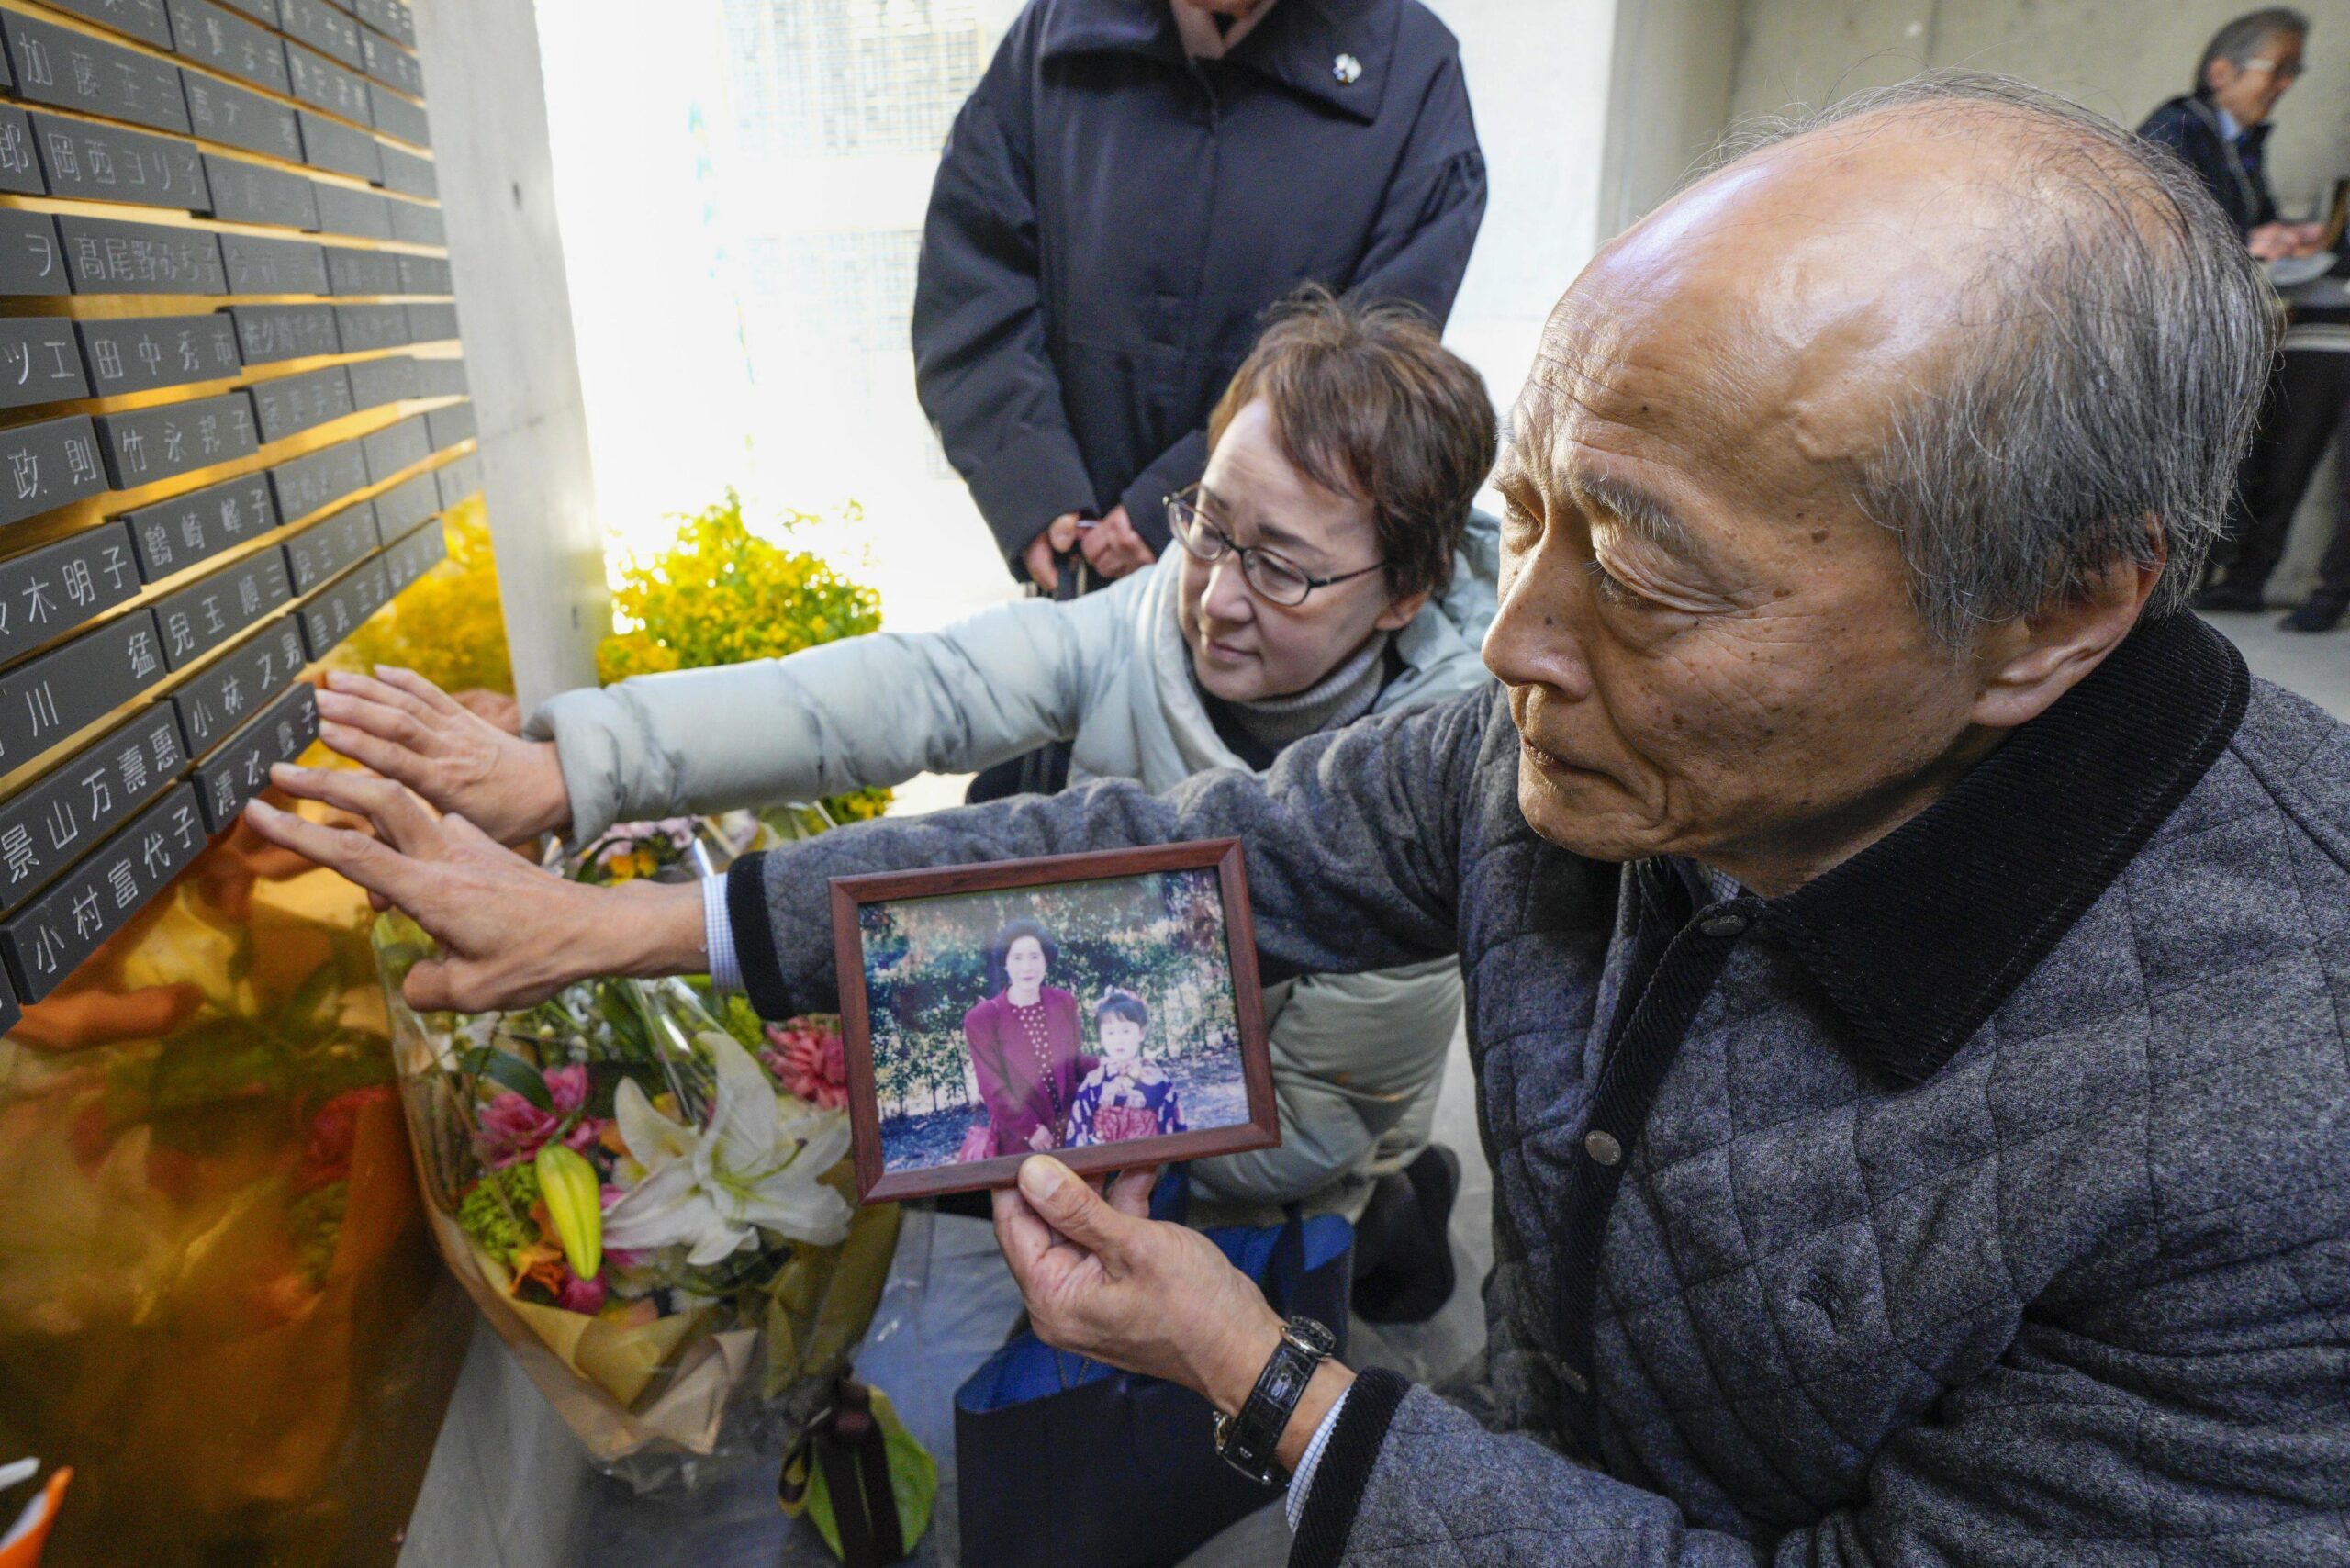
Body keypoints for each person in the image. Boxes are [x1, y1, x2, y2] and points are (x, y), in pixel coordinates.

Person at [252, 71, 2350, 1561]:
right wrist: (617, 923)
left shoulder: (2270, 1122)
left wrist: (1267, 1382)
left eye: (1640, 568)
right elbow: (1178, 866)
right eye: (1529, 522)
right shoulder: (1547, 731)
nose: (1516, 650)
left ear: (2051, 610)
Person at [308, 289, 1496, 1311]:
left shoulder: (1430, 801)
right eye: (1209, 526)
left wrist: (1031, 1122)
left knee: (1328, 1237)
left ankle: (1402, 1223)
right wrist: (571, 765)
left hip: (1257, 1149)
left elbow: (1313, 1123)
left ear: (1404, 593)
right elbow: (906, 691)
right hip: (1085, 1084)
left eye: (1280, 566)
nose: (1217, 599)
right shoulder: (1144, 623)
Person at [914, 0, 1486, 596]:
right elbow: (972, 280)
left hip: (1275, 590)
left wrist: (1190, 505)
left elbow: (1374, 356)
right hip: (1079, 569)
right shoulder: (1055, 30)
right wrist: (1031, 480)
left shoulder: (1411, 66)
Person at [2142, 9, 2350, 628]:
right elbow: (2152, 224)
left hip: (2209, 343)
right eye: (2277, 68)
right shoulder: (2178, 128)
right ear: (2222, 71)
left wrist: (2278, 238)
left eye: (2295, 70)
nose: (2286, 82)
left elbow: (2242, 229)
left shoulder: (2240, 143)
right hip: (2166, 342)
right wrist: (2247, 241)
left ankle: (2175, 594)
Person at [959, 919, 1091, 1158]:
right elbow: (992, 1088)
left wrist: (1119, 1065)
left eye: (1034, 956)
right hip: (1019, 1142)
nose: (1027, 967)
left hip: (1070, 1134)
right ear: (1006, 964)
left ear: (1046, 960)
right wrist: (1030, 1129)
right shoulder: (982, 1018)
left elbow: (1075, 1062)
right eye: (1017, 958)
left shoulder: (1063, 1002)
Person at [1066, 989, 1187, 1148]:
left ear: (1141, 1033)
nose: (1119, 1040)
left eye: (1126, 1031)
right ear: (1101, 1038)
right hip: (1105, 1164)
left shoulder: (1159, 1079)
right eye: (1110, 1033)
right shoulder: (1093, 1082)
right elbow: (1079, 1131)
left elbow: (1174, 1129)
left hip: (1151, 1161)